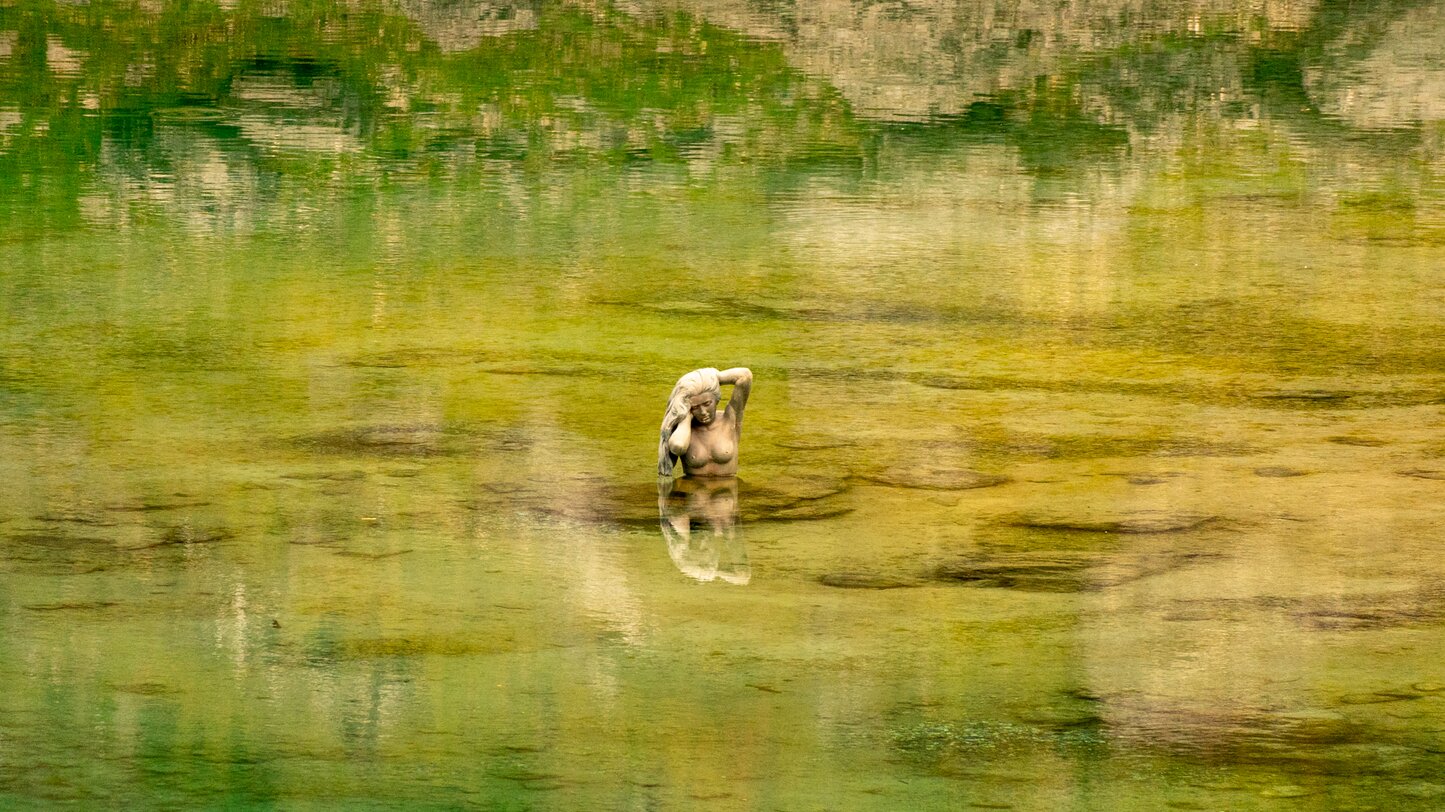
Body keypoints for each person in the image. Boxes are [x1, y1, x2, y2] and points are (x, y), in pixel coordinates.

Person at [656, 367, 752, 477]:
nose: (703, 412)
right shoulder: (685, 429)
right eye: (695, 407)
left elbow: (745, 376)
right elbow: (678, 446)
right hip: (692, 491)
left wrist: (714, 377)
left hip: (727, 490)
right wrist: (686, 417)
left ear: (717, 400)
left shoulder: (730, 418)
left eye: (707, 404)